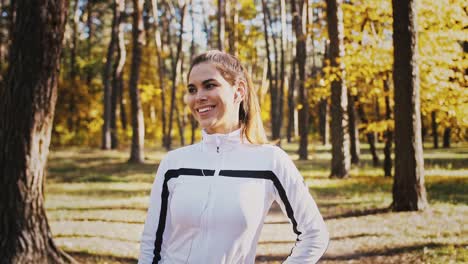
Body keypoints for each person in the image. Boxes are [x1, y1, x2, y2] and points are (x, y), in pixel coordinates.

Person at [138, 50, 329, 264]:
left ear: (238, 91)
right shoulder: (174, 164)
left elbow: (314, 235)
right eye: (192, 89)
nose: (199, 96)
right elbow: (152, 244)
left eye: (209, 85)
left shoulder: (270, 161)